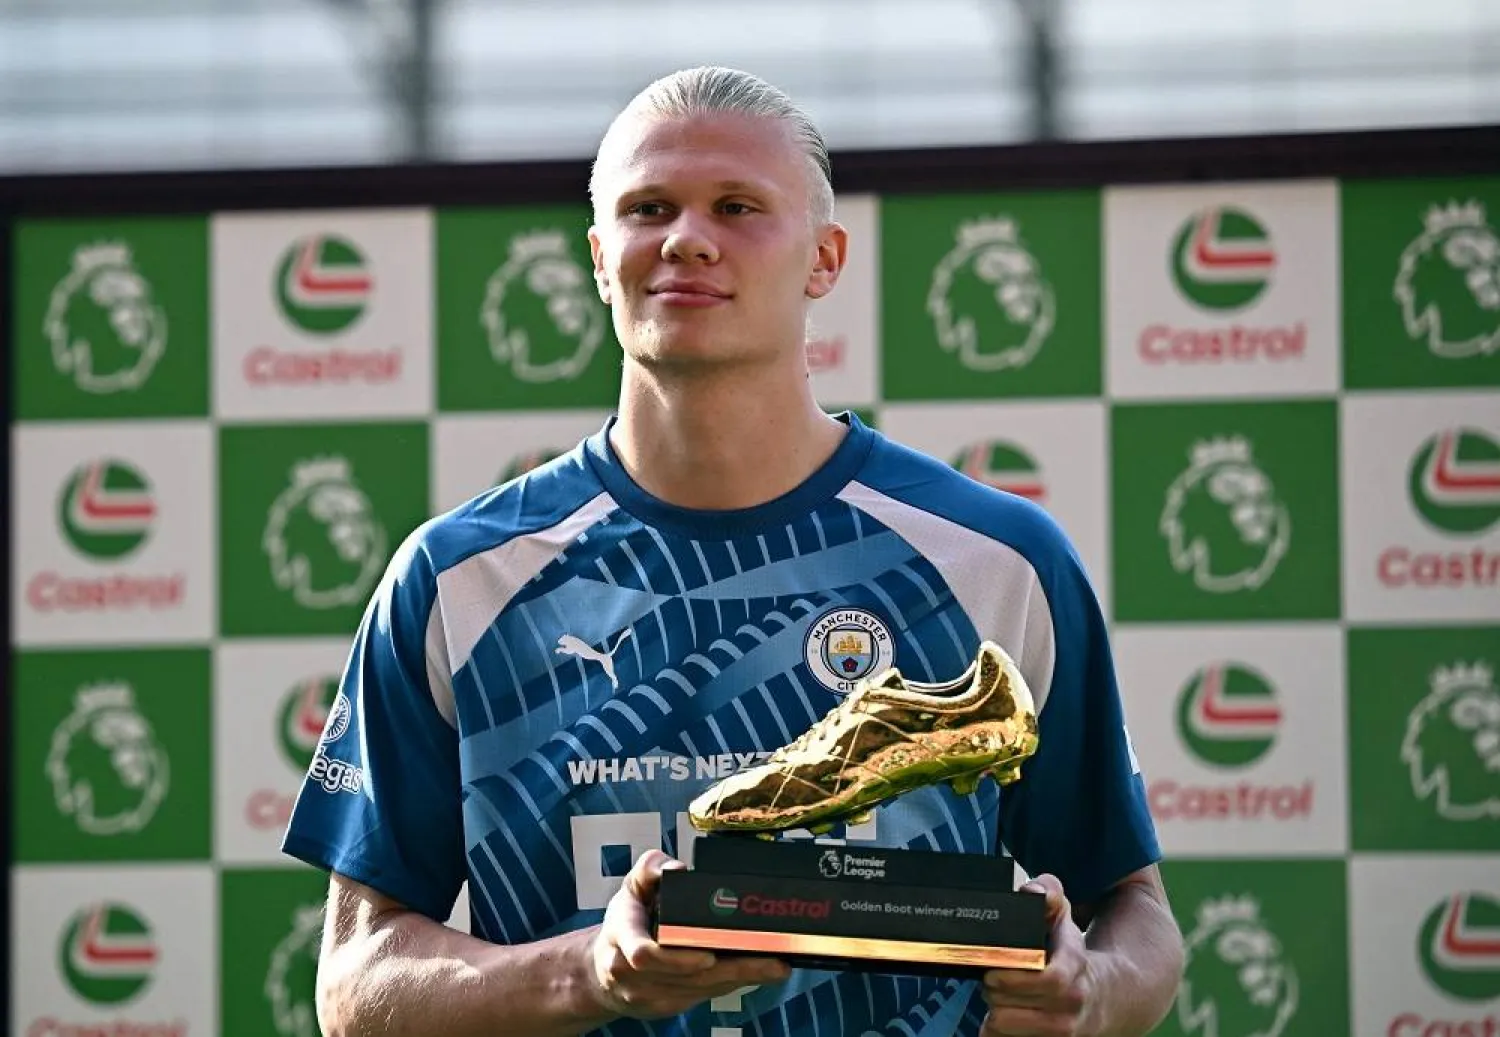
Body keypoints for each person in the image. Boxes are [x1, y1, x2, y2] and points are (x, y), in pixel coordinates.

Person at [281, 65, 1185, 1037]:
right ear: (598, 257)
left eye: (739, 206)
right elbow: (356, 983)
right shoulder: (458, 578)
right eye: (648, 207)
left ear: (825, 257)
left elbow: (1138, 916)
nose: (686, 238)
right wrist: (589, 971)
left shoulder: (999, 558)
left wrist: (1087, 990)